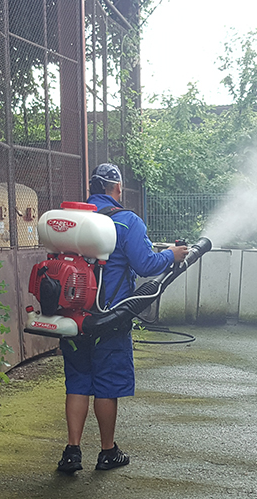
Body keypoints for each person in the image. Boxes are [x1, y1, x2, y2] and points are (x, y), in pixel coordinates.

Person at [56, 163, 188, 473]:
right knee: (107, 385)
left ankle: (72, 452)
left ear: (91, 188)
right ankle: (107, 452)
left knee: (77, 381)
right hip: (109, 318)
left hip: (73, 316)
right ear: (117, 188)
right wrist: (172, 255)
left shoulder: (72, 220)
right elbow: (146, 265)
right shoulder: (127, 221)